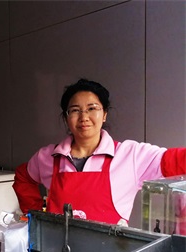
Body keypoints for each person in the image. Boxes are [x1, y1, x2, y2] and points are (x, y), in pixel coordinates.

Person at [13, 78, 185, 225]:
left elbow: (175, 160)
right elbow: (23, 176)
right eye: (75, 110)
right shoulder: (49, 157)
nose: (84, 117)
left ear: (104, 114)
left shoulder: (130, 155)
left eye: (92, 108)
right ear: (66, 118)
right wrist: (35, 217)